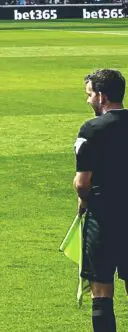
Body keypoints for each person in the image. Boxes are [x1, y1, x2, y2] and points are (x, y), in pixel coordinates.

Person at [74, 69, 128, 332]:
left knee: (101, 292)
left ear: (101, 96)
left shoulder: (91, 129)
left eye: (89, 95)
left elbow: (82, 183)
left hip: (103, 219)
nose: (87, 101)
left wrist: (83, 200)